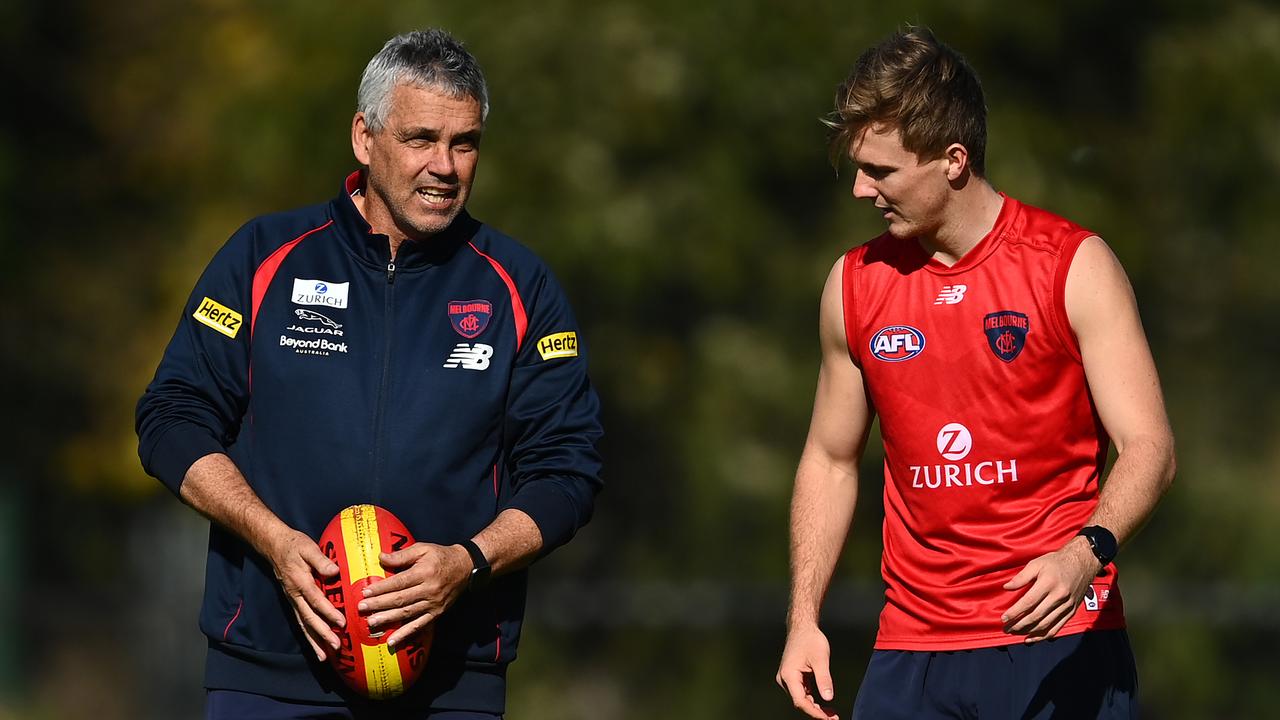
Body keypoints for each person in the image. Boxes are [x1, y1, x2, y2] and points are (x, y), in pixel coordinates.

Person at [136, 29, 603, 719]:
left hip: (452, 683)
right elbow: (170, 418)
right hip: (265, 672)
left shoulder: (520, 286)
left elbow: (568, 467)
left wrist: (467, 563)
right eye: (421, 138)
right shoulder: (265, 257)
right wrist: (272, 538)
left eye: (465, 142)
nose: (444, 166)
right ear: (365, 137)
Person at [775, 27, 1175, 720]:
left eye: (882, 171)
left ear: (954, 161)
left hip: (1058, 637)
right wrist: (802, 618)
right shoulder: (853, 286)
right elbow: (831, 458)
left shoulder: (1073, 267)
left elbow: (1151, 450)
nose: (863, 191)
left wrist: (1085, 556)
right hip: (912, 652)